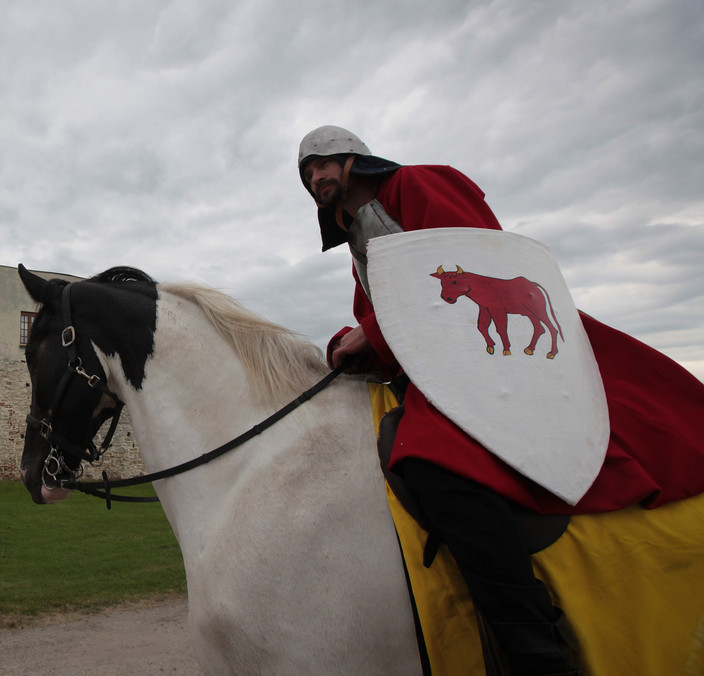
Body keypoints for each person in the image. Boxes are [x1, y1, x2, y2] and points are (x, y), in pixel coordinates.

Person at [297, 125, 704, 675]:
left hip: (496, 357)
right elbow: (393, 324)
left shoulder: (417, 185)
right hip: (445, 363)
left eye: (328, 162)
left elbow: (474, 265)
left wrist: (375, 332)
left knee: (433, 462)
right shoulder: (356, 241)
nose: (317, 175)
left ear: (356, 163)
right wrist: (356, 345)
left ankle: (535, 649)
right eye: (307, 170)